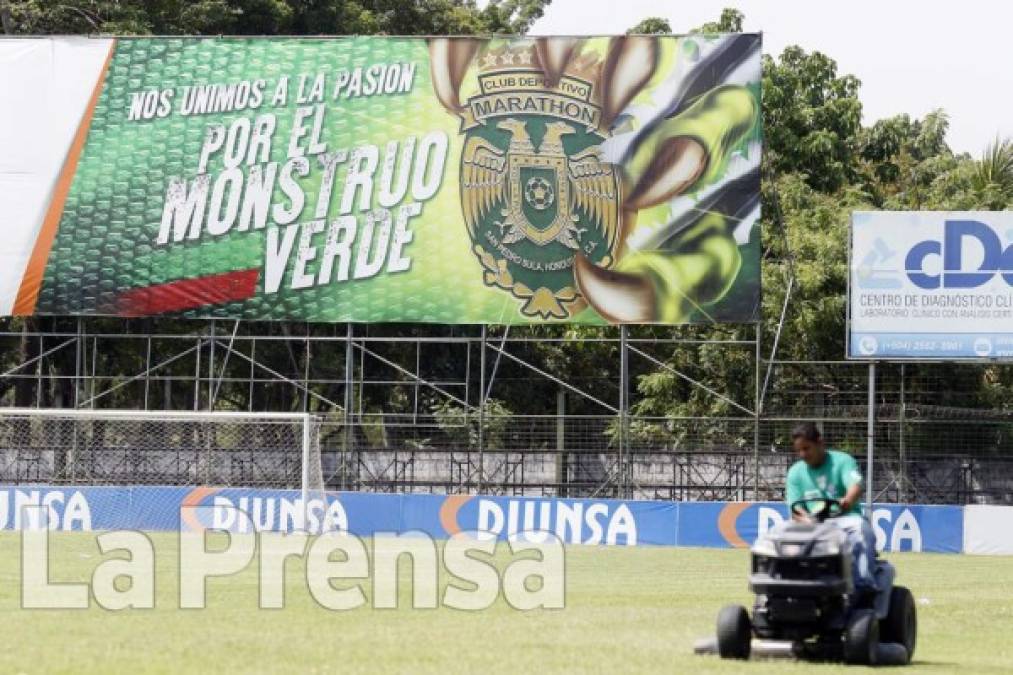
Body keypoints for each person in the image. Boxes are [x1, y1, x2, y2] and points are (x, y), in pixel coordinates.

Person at [786, 422, 879, 594]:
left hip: (845, 518)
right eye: (799, 451)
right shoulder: (795, 472)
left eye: (807, 448)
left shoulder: (842, 461)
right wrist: (808, 520)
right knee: (779, 535)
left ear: (820, 443)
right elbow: (795, 509)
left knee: (860, 528)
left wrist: (846, 501)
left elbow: (856, 485)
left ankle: (864, 587)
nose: (803, 454)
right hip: (812, 524)